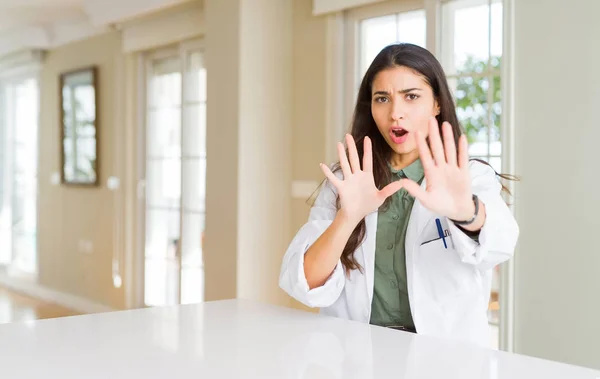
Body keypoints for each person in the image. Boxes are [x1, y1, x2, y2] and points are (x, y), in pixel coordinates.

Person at [278, 43, 519, 348]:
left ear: (437, 104)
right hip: (357, 352)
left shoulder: (469, 177)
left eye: (411, 96)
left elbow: (500, 245)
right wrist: (347, 217)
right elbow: (305, 283)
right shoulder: (347, 179)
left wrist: (465, 212)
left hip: (443, 357)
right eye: (383, 99)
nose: (395, 113)